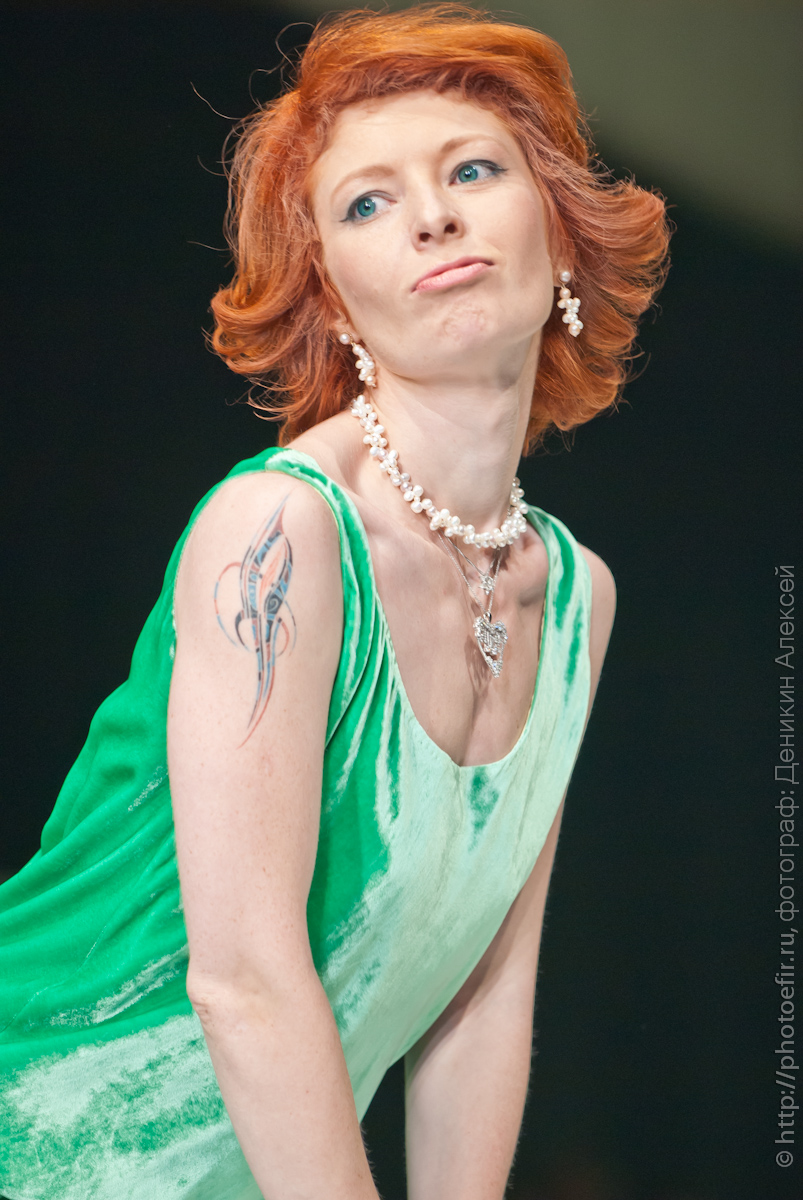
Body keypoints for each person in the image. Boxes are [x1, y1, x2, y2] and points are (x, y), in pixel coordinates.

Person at [0, 5, 670, 1197]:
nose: (432, 215)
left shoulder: (575, 600)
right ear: (333, 298)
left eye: (472, 170)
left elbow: (480, 993)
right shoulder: (279, 531)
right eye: (366, 203)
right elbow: (243, 980)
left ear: (559, 230)